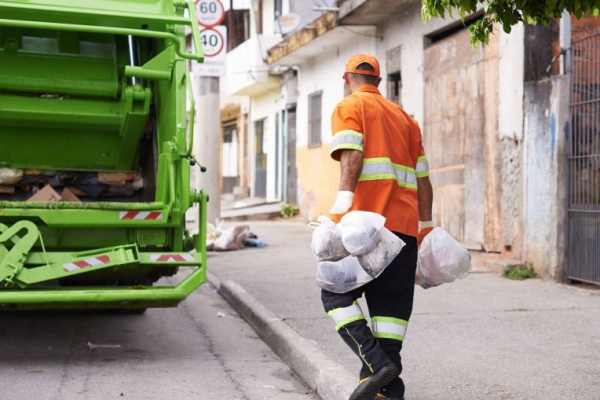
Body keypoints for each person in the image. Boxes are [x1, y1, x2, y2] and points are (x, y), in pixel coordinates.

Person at [322, 53, 434, 400]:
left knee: (334, 293)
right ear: (380, 82)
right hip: (403, 233)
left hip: (364, 230)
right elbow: (424, 181)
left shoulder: (349, 106)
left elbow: (352, 154)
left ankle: (375, 363)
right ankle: (388, 388)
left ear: (346, 79)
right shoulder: (406, 119)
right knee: (390, 318)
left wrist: (342, 201)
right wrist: (426, 228)